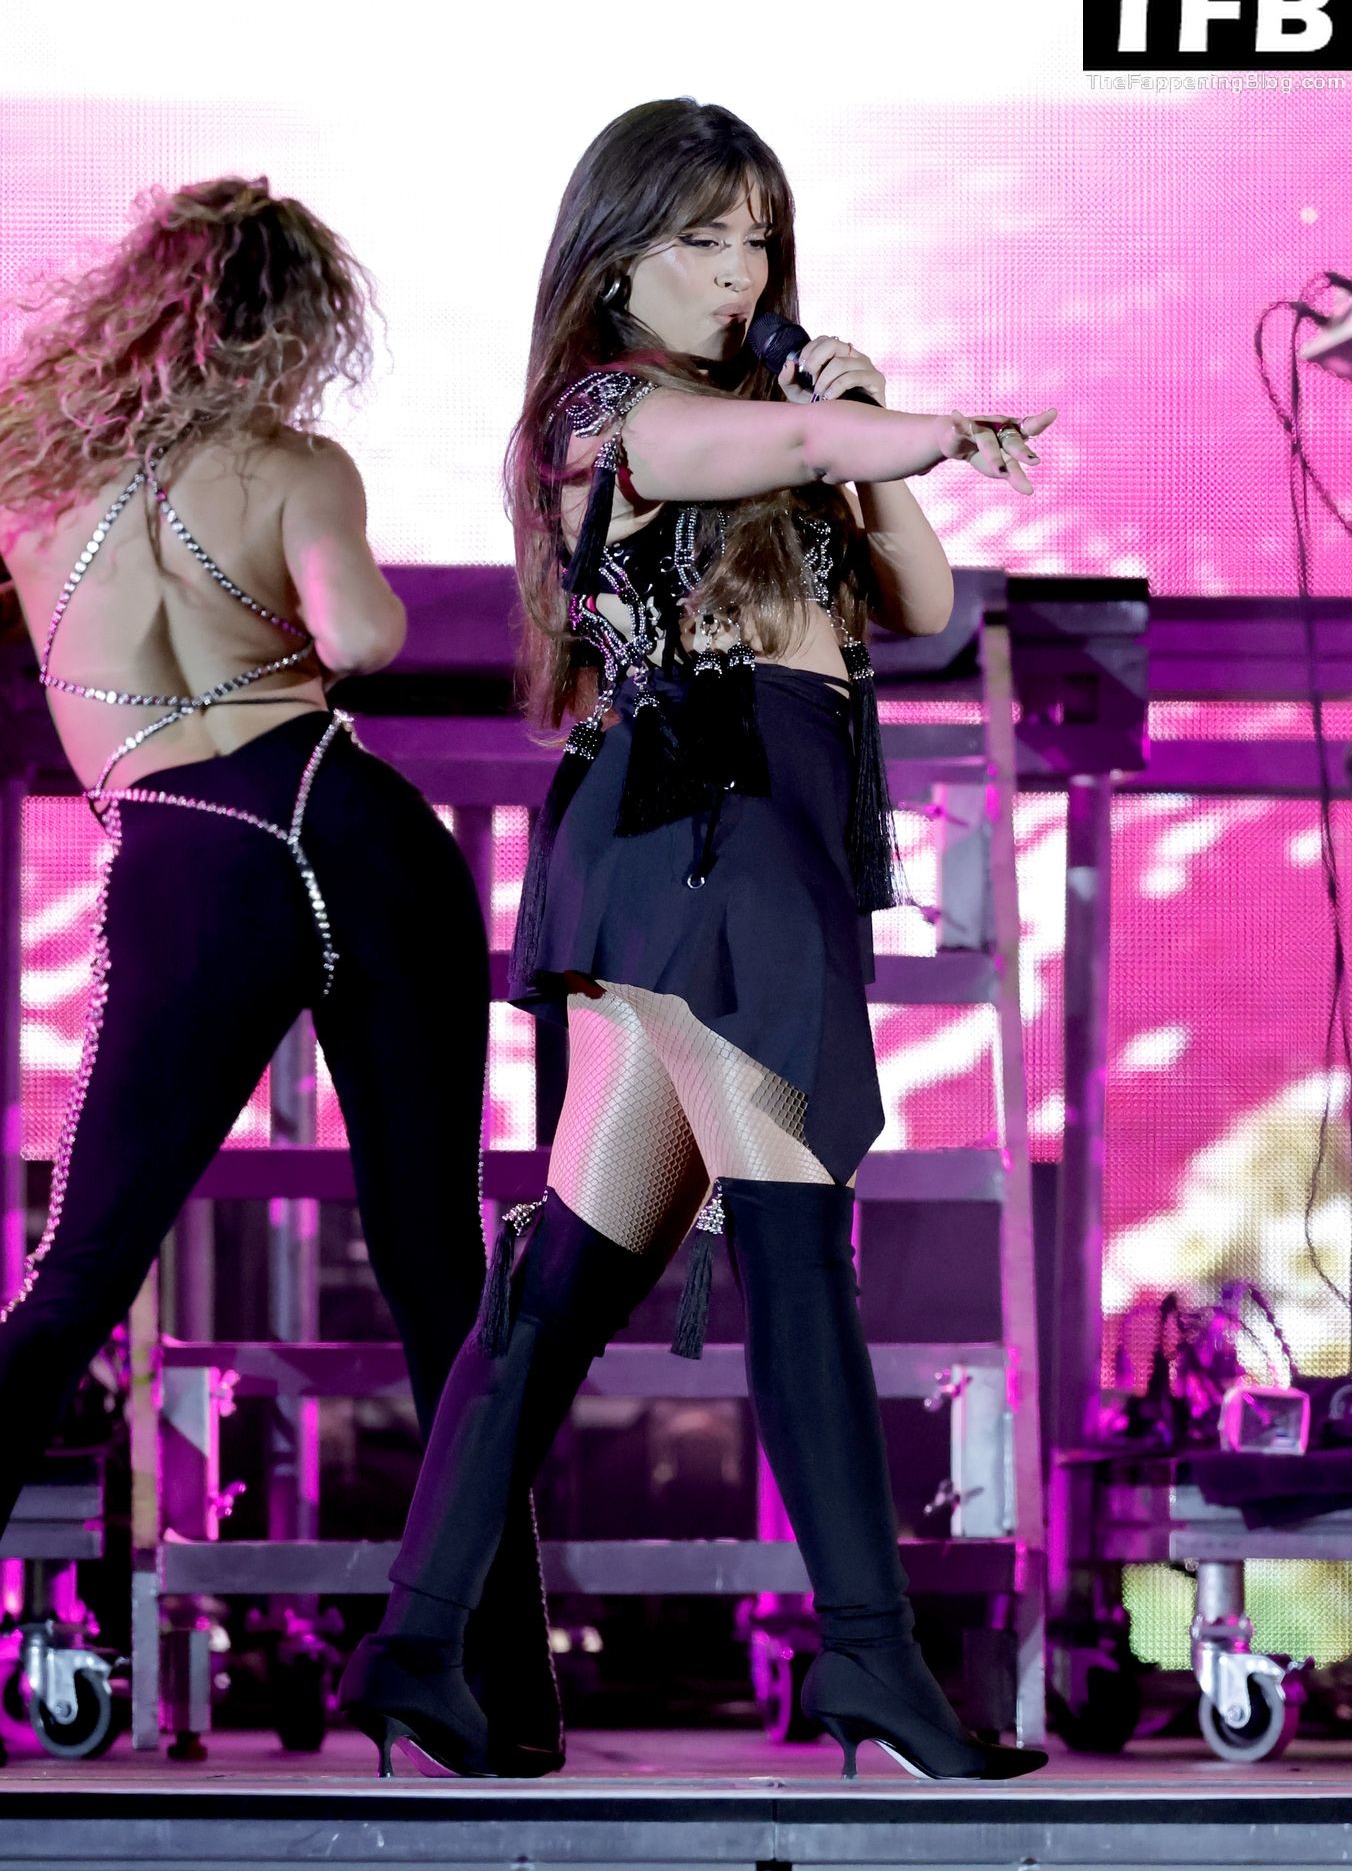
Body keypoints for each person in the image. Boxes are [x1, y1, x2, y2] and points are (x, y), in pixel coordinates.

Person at [340, 99, 1056, 1782]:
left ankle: (416, 1644)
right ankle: (872, 1659)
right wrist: (910, 430)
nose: (740, 273)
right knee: (795, 1237)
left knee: (572, 1278)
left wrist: (869, 433)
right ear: (617, 255)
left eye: (757, 241)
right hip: (703, 837)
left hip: (745, 843)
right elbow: (775, 455)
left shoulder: (777, 424)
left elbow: (923, 606)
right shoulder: (606, 411)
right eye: (703, 238)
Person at [0, 177, 560, 1774]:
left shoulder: (31, 477)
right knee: (440, 1277)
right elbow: (363, 639)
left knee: (76, 1276)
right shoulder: (295, 463)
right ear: (304, 321)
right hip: (347, 824)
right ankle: (500, 1702)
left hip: (182, 854)